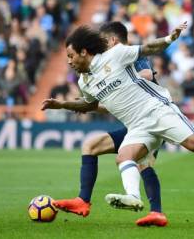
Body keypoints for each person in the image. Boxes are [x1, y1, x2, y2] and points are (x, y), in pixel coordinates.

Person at [41, 22, 194, 224]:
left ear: (84, 52)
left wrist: (169, 38)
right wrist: (62, 105)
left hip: (156, 110)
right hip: (136, 125)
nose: (69, 61)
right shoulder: (83, 82)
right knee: (124, 157)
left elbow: (148, 48)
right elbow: (89, 105)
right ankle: (134, 197)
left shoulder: (115, 54)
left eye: (71, 56)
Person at [54, 22, 168, 227]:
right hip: (133, 125)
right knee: (91, 146)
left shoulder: (131, 56)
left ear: (113, 40)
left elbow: (147, 76)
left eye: (104, 42)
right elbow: (103, 105)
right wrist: (82, 105)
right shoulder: (104, 68)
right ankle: (83, 201)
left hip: (153, 120)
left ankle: (156, 212)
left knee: (143, 163)